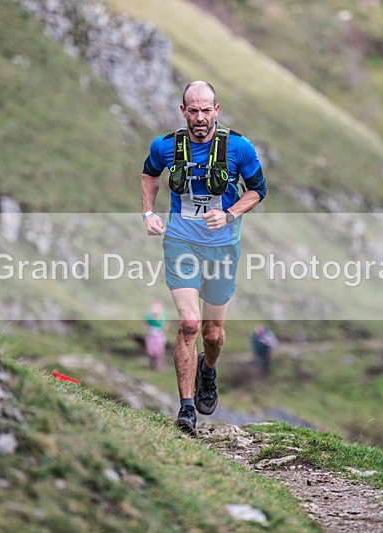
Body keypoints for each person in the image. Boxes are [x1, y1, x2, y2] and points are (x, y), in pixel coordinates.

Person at [141, 81, 267, 435]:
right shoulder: (165, 146)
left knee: (212, 334)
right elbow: (150, 174)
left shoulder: (238, 148)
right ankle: (185, 409)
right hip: (180, 242)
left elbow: (259, 190)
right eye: (192, 110)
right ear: (183, 111)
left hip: (222, 247)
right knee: (189, 325)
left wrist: (229, 214)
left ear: (217, 109)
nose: (199, 117)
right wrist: (148, 212)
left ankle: (208, 372)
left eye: (205, 110)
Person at [144, 301, 168, 371]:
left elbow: (165, 325)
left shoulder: (163, 316)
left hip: (160, 335)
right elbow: (146, 324)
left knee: (159, 352)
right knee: (151, 351)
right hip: (151, 335)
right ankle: (152, 364)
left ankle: (157, 366)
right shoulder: (149, 316)